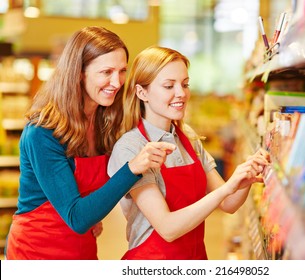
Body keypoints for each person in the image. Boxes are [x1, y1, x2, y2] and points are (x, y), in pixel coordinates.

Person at [5, 27, 175, 260]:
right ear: (79, 72)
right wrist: (132, 168)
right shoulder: (42, 132)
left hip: (81, 247)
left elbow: (85, 211)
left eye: (122, 71)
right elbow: (77, 217)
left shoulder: (105, 122)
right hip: (36, 252)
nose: (116, 82)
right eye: (106, 72)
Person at [107, 46, 270, 260]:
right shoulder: (131, 148)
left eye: (185, 84)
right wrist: (227, 188)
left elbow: (228, 204)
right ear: (141, 92)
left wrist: (245, 177)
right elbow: (167, 228)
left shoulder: (188, 138)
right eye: (168, 86)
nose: (181, 93)